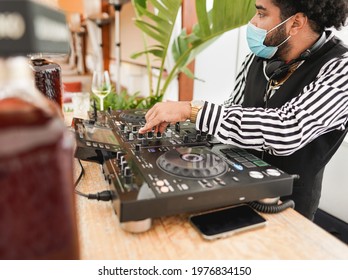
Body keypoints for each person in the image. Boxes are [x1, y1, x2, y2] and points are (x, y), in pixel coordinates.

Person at [139, 0, 348, 220]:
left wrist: (192, 110)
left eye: (261, 14)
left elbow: (287, 129)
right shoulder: (258, 58)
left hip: (288, 209)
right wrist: (183, 122)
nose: (253, 22)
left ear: (295, 23)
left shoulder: (340, 69)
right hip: (235, 191)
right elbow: (233, 110)